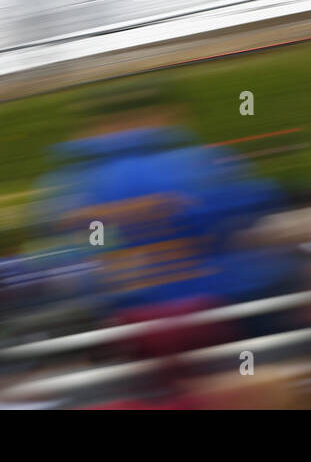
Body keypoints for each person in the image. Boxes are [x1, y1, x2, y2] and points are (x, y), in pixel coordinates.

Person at [37, 81, 288, 319]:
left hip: (121, 314)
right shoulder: (202, 162)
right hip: (222, 299)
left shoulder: (66, 183)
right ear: (163, 114)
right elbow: (255, 206)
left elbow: (58, 249)